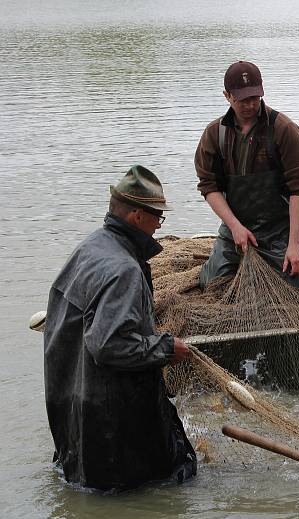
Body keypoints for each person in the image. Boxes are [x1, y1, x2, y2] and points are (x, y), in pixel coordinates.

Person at [43, 165, 197, 491]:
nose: (159, 224)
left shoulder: (90, 248)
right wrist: (167, 349)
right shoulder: (123, 270)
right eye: (157, 217)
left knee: (90, 492)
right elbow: (109, 345)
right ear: (137, 217)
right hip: (111, 422)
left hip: (74, 411)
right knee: (171, 480)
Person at [195, 60, 299, 296]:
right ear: (227, 96)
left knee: (298, 292)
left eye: (255, 98)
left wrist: (294, 244)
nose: (250, 105)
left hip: (279, 229)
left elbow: (298, 189)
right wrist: (235, 227)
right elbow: (210, 187)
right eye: (242, 99)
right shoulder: (214, 134)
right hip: (235, 227)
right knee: (210, 286)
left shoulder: (283, 129)